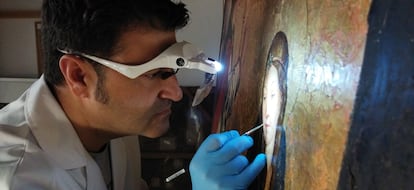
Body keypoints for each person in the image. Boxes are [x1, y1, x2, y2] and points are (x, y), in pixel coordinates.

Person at [0, 0, 265, 189]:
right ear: (79, 76)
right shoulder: (17, 178)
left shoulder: (111, 122)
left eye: (172, 70)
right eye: (154, 73)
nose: (175, 93)